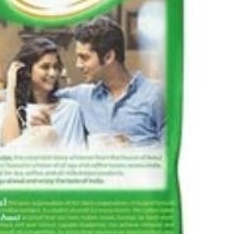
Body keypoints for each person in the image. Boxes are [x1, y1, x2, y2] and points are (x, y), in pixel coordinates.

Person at [31, 16, 165, 149]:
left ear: (108, 57)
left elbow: (172, 152)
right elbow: (41, 95)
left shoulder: (156, 95)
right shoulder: (82, 96)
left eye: (84, 58)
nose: (78, 64)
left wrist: (133, 152)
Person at [0, 36, 85, 152]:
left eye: (55, 67)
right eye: (45, 67)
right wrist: (12, 86)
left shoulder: (70, 109)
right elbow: (10, 148)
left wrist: (48, 136)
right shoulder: (7, 108)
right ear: (27, 71)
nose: (53, 73)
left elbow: (76, 153)